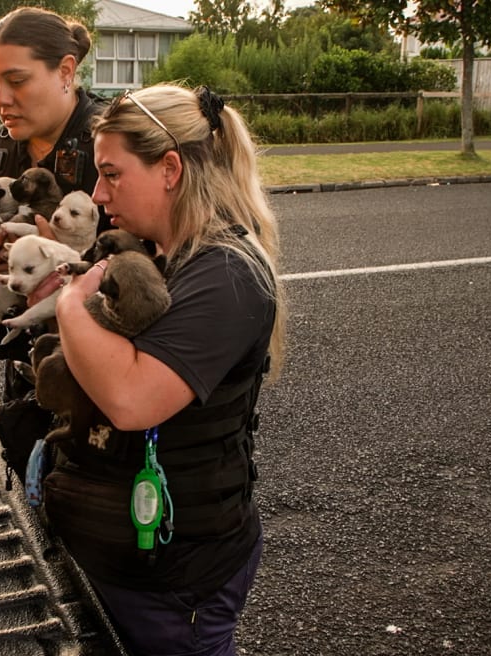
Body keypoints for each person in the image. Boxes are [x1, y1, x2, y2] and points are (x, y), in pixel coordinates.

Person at [45, 84, 287, 656]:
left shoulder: (224, 272)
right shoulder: (165, 254)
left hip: (177, 577)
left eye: (112, 174)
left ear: (170, 168)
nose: (99, 194)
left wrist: (71, 304)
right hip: (140, 563)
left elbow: (132, 399)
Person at [0, 6, 107, 401]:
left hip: (104, 379)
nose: (1, 99)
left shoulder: (114, 146)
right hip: (24, 373)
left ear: (66, 72)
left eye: (16, 80)